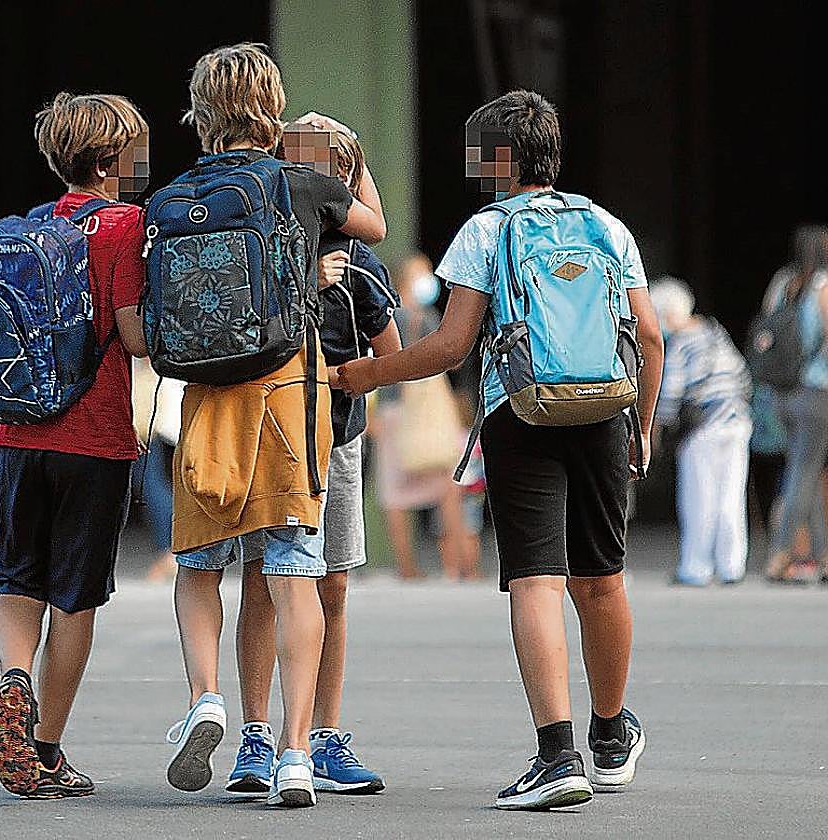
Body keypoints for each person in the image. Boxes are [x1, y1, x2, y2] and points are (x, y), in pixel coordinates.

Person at [337, 90, 664, 810]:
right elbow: (648, 335)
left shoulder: (487, 231)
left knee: (537, 583)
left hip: (522, 413)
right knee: (603, 579)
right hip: (606, 411)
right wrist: (640, 426)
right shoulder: (606, 225)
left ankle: (558, 757)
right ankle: (610, 736)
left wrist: (366, 372)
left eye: (476, 150)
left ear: (500, 159)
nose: (468, 162)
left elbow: (450, 346)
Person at [160, 43, 386, 810]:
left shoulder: (177, 193)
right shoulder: (302, 182)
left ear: (201, 113)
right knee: (297, 576)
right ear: (273, 105)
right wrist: (339, 155)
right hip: (291, 394)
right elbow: (375, 226)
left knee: (201, 565)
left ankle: (207, 699)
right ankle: (295, 753)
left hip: (204, 399)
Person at [0, 92, 150, 799]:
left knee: (18, 582)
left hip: (16, 432)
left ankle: (13, 677)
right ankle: (47, 750)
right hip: (96, 437)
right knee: (75, 599)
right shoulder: (123, 226)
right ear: (111, 160)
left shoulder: (20, 230)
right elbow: (135, 336)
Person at [227, 128, 399, 797]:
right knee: (285, 585)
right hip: (287, 437)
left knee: (311, 588)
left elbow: (389, 355)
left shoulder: (355, 264)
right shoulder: (262, 251)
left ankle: (305, 736)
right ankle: (263, 736)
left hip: (319, 439)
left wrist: (336, 377)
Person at [373, 254, 476, 580]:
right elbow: (453, 359)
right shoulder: (426, 319)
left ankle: (407, 568)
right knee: (448, 488)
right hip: (424, 415)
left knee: (394, 493)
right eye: (422, 273)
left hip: (390, 412)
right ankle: (464, 568)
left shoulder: (382, 315)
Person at [651, 278, 752, 586]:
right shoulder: (715, 332)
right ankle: (732, 567)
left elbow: (670, 393)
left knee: (699, 497)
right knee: (731, 495)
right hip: (736, 421)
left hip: (702, 429)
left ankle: (696, 568)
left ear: (666, 314)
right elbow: (743, 375)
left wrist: (655, 430)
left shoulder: (682, 342)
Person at [760, 226, 828, 583]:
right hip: (816, 391)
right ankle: (781, 554)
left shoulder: (783, 282)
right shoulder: (823, 286)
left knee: (808, 469)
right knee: (803, 473)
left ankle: (823, 555)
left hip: (782, 393)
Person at [131, 358, 183, 583]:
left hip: (146, 427)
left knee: (153, 488)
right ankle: (170, 551)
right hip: (148, 425)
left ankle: (169, 551)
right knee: (152, 487)